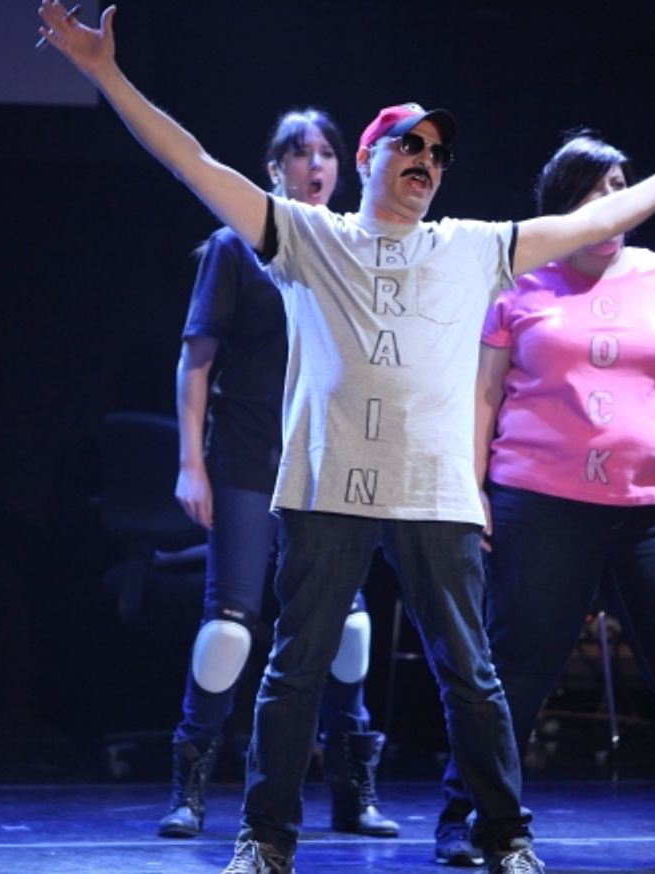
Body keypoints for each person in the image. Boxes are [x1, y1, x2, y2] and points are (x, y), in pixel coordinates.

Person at [36, 4, 655, 872]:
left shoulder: (474, 246)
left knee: (474, 678)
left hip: (435, 492)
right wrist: (106, 74)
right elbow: (192, 164)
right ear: (368, 158)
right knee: (293, 673)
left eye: (438, 153)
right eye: (409, 146)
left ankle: (502, 838)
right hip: (326, 488)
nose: (426, 162)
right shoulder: (306, 236)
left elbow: (595, 223)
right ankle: (266, 840)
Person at [433, 133, 655, 872]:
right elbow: (484, 394)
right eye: (594, 191)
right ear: (561, 208)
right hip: (541, 502)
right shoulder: (521, 281)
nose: (612, 205)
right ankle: (470, 816)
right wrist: (471, 486)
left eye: (621, 186)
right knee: (514, 667)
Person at [163, 108, 396, 840]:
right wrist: (190, 462)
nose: (316, 166)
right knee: (230, 630)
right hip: (248, 458)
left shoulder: (352, 248)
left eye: (327, 152)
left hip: (331, 465)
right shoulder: (236, 249)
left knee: (347, 628)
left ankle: (352, 788)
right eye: (301, 154)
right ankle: (193, 781)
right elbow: (196, 360)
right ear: (275, 168)